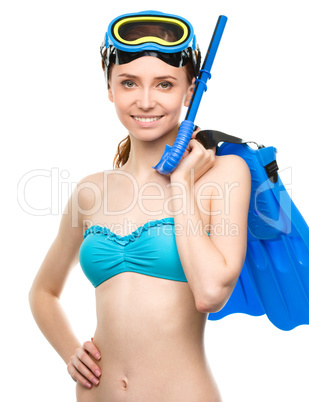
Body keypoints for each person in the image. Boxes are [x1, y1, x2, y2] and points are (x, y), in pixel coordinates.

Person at [29, 10, 251, 401]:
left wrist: (181, 184)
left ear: (190, 91)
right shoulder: (90, 191)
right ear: (110, 88)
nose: (145, 101)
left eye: (164, 84)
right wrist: (69, 353)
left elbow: (211, 293)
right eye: (129, 83)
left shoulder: (223, 174)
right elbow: (43, 292)